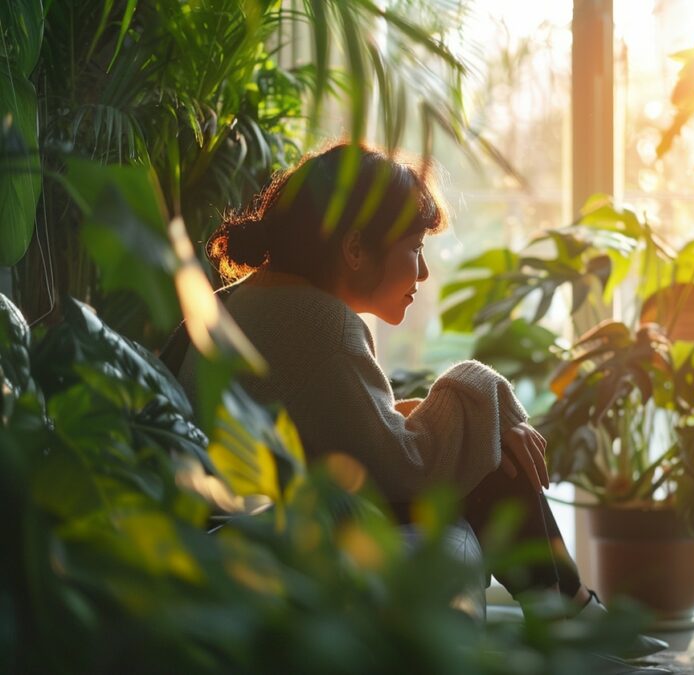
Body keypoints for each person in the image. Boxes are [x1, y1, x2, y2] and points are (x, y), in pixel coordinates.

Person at [174, 142, 667, 659]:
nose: (425, 274)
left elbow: (354, 430)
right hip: (270, 527)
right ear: (356, 249)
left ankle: (572, 615)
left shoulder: (254, 298)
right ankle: (575, 615)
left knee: (485, 445)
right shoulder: (321, 324)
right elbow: (404, 467)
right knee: (493, 467)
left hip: (253, 517)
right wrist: (480, 388)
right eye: (415, 249)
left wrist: (484, 423)